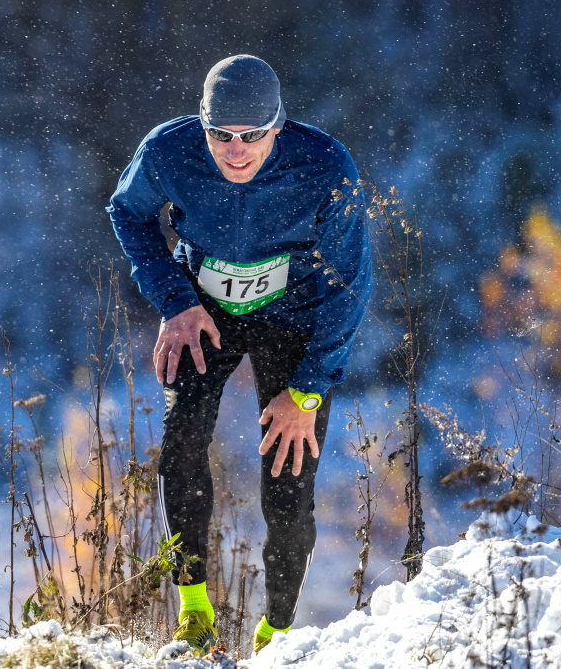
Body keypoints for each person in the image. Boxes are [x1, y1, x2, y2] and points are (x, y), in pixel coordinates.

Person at [107, 54, 372, 655]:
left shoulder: (324, 165)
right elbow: (128, 213)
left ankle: (276, 633)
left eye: (252, 137)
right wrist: (176, 303)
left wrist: (307, 389)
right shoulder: (168, 151)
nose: (235, 151)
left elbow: (350, 287)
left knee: (287, 477)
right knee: (182, 440)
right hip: (205, 308)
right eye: (220, 136)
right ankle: (194, 609)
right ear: (201, 126)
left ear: (279, 127)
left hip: (295, 316)